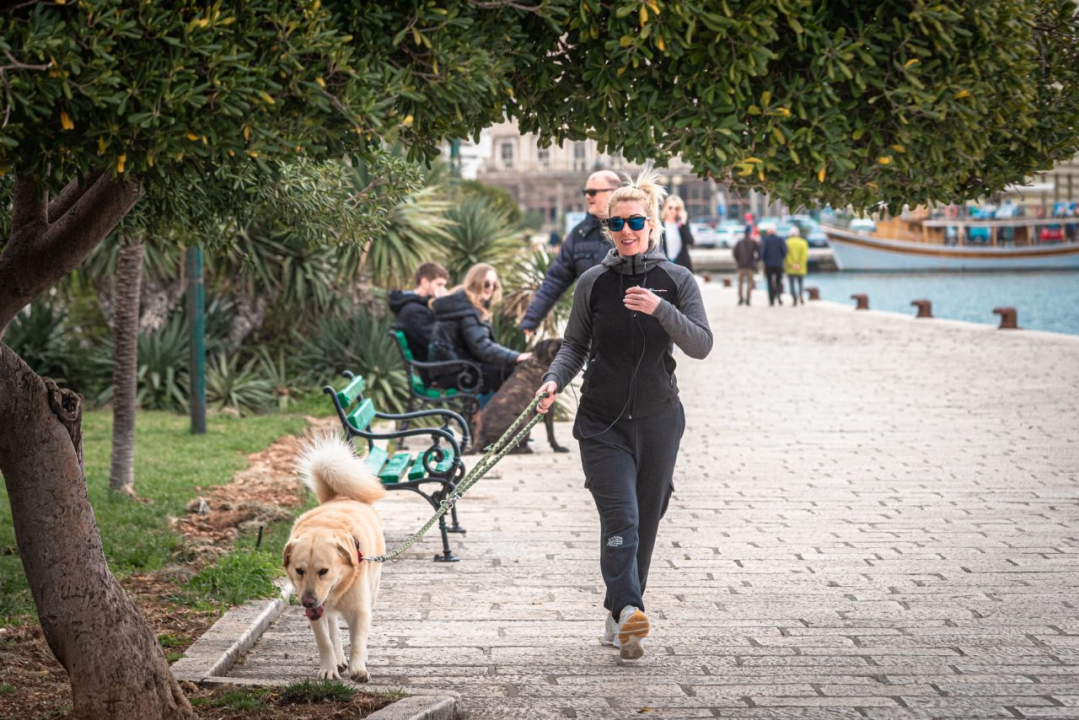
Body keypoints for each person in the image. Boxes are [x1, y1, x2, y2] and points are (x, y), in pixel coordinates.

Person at [534, 166, 713, 660]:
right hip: (601, 420)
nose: (628, 232)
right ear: (607, 228)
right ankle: (632, 608)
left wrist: (660, 309)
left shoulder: (676, 281)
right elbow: (574, 346)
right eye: (618, 225)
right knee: (622, 517)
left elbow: (701, 345)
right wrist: (552, 381)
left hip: (659, 420)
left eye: (637, 223)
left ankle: (620, 616)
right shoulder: (593, 282)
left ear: (653, 225)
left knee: (648, 520)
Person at [519, 170, 622, 336]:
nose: (587, 197)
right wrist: (532, 318)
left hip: (631, 326)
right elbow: (555, 280)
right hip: (594, 328)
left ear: (613, 193)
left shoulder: (633, 228)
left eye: (592, 192)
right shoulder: (579, 235)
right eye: (585, 192)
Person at [428, 264, 532, 401]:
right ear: (475, 282)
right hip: (457, 372)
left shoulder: (463, 303)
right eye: (487, 283)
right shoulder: (468, 309)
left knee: (505, 370)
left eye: (494, 285)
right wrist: (516, 357)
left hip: (450, 369)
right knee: (513, 372)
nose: (490, 288)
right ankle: (491, 418)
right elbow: (482, 347)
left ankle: (484, 416)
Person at [388, 262, 450, 362]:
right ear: (425, 282)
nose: (443, 290)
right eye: (439, 284)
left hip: (437, 365)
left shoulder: (419, 306)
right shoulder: (414, 311)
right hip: (435, 368)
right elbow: (438, 342)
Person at [660, 195, 695, 272]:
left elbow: (690, 241)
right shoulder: (660, 225)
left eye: (676, 208)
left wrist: (684, 221)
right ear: (665, 207)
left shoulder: (681, 225)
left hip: (681, 266)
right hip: (665, 265)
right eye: (670, 207)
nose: (673, 210)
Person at [759, 223, 787, 306]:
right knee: (778, 281)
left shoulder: (765, 240)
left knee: (770, 282)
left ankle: (771, 300)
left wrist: (764, 260)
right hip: (778, 264)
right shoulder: (780, 239)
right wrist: (781, 258)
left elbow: (762, 252)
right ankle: (779, 296)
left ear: (768, 232)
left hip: (768, 264)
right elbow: (785, 251)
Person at [731, 224, 759, 306]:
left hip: (741, 266)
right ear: (749, 233)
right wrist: (755, 261)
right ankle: (748, 298)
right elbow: (759, 252)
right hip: (750, 266)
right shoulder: (753, 242)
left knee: (740, 283)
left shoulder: (740, 242)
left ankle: (741, 298)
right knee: (749, 282)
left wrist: (738, 261)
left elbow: (734, 253)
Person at [784, 225, 809, 306]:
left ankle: (794, 298)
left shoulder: (787, 242)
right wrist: (799, 264)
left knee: (791, 284)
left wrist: (792, 264)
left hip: (790, 268)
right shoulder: (803, 242)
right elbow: (804, 255)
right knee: (800, 283)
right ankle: (801, 296)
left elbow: (786, 255)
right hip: (800, 268)